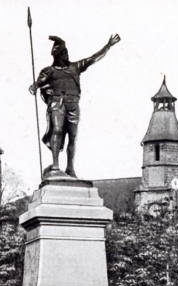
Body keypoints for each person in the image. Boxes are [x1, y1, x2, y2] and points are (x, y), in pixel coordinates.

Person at [29, 34, 120, 178]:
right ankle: (55, 165)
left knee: (73, 136)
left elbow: (92, 59)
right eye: (63, 53)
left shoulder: (75, 67)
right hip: (57, 103)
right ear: (57, 55)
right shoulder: (49, 71)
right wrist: (34, 87)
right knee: (57, 130)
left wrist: (108, 45)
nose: (66, 55)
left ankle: (70, 168)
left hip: (73, 104)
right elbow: (36, 84)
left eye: (66, 52)